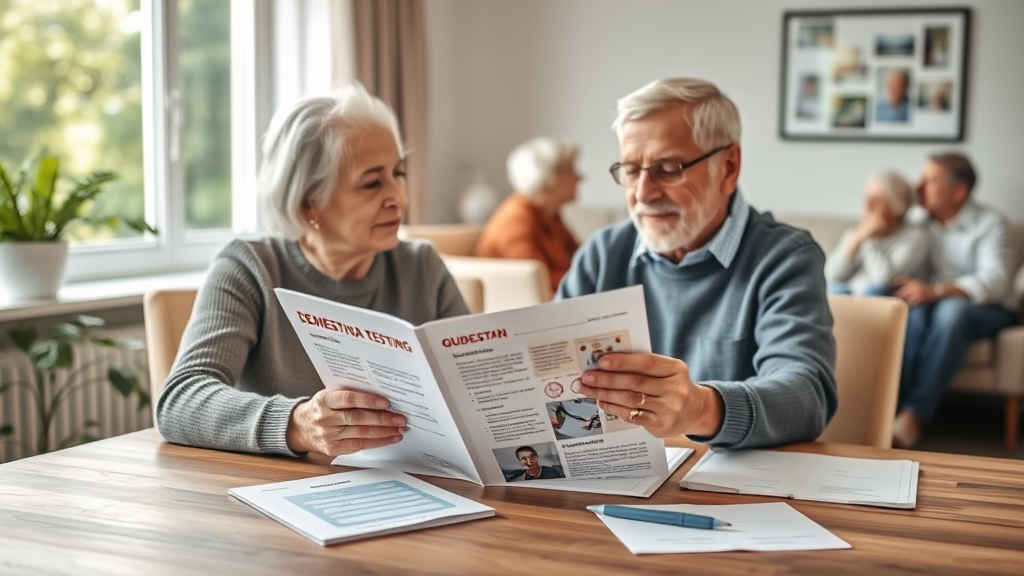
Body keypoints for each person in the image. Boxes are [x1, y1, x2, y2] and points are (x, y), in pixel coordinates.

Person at [155, 84, 469, 457]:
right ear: (309, 205)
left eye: (398, 173)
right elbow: (180, 401)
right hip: (273, 493)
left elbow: (471, 389)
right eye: (372, 183)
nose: (399, 197)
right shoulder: (250, 267)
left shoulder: (422, 266)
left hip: (414, 486)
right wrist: (298, 424)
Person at [559, 78, 837, 449]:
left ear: (728, 167)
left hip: (732, 492)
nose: (643, 193)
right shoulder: (602, 253)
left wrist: (701, 409)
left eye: (668, 168)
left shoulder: (785, 257)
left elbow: (806, 395)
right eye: (630, 170)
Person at [891, 153, 1018, 448]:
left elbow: (994, 281)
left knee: (951, 312)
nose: (918, 186)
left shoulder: (992, 223)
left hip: (990, 307)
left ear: (958, 191)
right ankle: (892, 406)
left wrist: (937, 291)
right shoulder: (919, 223)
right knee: (911, 312)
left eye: (929, 180)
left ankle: (914, 414)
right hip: (934, 302)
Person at [475, 137, 582, 292]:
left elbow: (581, 256)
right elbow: (538, 282)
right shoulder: (515, 219)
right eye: (571, 170)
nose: (580, 178)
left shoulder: (550, 214)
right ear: (548, 178)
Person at [825, 171, 929, 296]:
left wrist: (868, 238)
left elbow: (883, 280)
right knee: (835, 290)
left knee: (873, 291)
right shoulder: (856, 232)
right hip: (853, 294)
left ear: (897, 207)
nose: (867, 205)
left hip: (886, 297)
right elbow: (830, 276)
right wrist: (855, 241)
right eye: (866, 197)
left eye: (876, 200)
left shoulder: (914, 237)